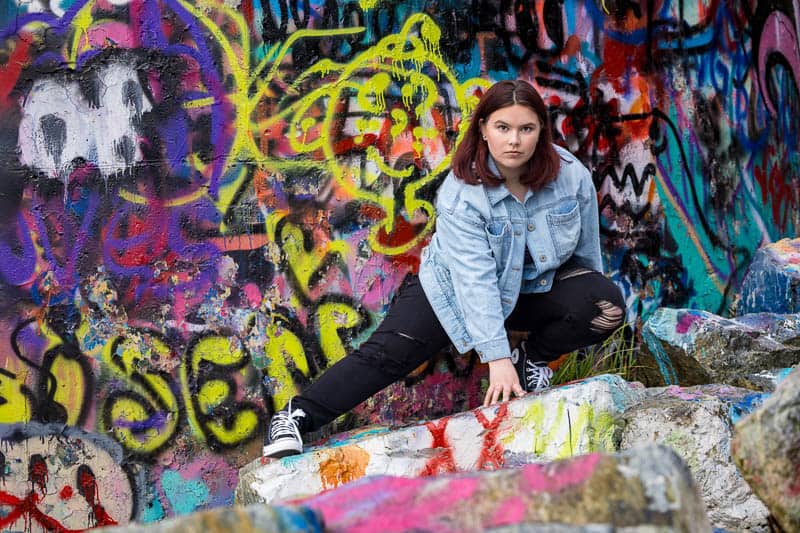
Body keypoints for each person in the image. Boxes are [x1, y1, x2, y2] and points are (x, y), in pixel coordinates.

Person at [262, 79, 625, 458]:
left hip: (533, 289)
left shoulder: (571, 176)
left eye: (526, 129)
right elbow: (475, 281)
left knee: (603, 303)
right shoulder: (462, 193)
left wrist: (580, 307)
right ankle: (296, 416)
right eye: (503, 128)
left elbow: (585, 262)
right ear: (483, 129)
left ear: (540, 132)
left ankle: (532, 357)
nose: (514, 140)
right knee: (387, 355)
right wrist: (497, 360)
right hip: (454, 291)